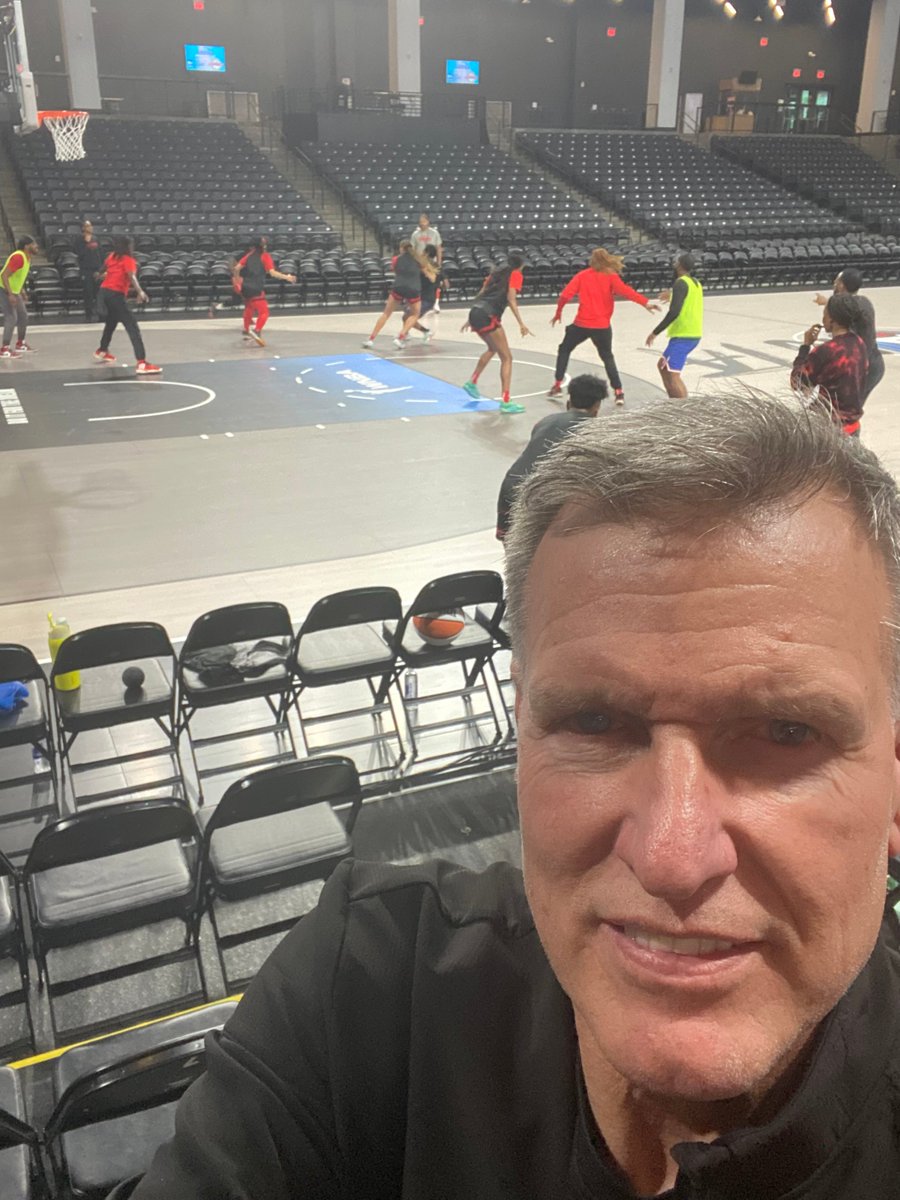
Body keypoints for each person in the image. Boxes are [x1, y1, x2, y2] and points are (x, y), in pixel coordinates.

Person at [120, 394, 900, 1199]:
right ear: (521, 735)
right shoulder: (372, 990)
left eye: (784, 732)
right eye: (593, 722)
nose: (672, 856)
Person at [496, 373, 606, 540]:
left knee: (515, 556)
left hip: (510, 488)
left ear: (569, 401)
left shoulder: (545, 421)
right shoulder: (596, 430)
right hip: (538, 496)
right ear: (597, 406)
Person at [549, 248, 660, 405]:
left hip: (582, 324)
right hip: (602, 326)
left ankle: (557, 385)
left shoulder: (582, 276)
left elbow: (565, 296)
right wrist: (645, 303)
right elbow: (626, 291)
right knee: (607, 357)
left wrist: (558, 313)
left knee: (564, 349)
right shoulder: (611, 276)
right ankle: (619, 392)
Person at [462, 253, 532, 416]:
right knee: (507, 358)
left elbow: (482, 292)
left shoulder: (496, 272)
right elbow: (511, 299)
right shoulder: (515, 274)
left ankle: (472, 382)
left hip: (477, 312)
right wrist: (521, 323)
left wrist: (471, 317)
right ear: (521, 265)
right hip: (489, 315)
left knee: (492, 348)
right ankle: (506, 401)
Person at [791, 293, 868, 436]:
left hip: (831, 430)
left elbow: (797, 382)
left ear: (832, 320)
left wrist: (805, 347)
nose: (823, 318)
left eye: (825, 314)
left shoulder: (825, 351)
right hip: (853, 425)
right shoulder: (859, 343)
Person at [92, 234, 161, 375]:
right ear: (127, 246)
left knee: (111, 323)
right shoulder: (128, 260)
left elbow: (101, 270)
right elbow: (132, 277)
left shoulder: (112, 256)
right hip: (115, 295)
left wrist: (100, 275)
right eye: (131, 245)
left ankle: (102, 350)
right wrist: (140, 292)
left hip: (104, 293)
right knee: (132, 327)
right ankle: (141, 363)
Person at [815, 268, 884, 401]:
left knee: (839, 408)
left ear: (841, 285)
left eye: (836, 281)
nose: (834, 284)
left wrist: (827, 303)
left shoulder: (847, 307)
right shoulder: (864, 301)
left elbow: (840, 308)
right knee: (845, 409)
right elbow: (843, 304)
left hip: (863, 367)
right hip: (872, 363)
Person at [645, 251, 703, 398]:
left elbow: (674, 312)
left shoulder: (680, 283)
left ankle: (683, 409)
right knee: (663, 366)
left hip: (684, 334)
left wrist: (655, 332)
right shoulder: (695, 283)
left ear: (680, 266)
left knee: (673, 374)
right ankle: (673, 402)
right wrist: (671, 295)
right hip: (691, 333)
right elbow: (686, 298)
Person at [363, 241, 436, 351]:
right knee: (415, 314)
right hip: (413, 289)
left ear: (402, 248)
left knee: (386, 314)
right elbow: (431, 277)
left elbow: (397, 272)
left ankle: (371, 339)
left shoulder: (396, 259)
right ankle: (401, 337)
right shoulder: (419, 261)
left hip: (398, 287)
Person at [233, 235, 296, 348]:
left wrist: (237, 281)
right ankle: (256, 331)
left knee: (249, 307)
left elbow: (236, 268)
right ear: (263, 245)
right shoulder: (265, 256)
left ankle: (247, 330)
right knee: (264, 312)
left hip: (245, 286)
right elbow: (272, 273)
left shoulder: (248, 256)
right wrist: (287, 277)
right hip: (256, 287)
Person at [0, 235, 37, 359]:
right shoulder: (18, 257)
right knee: (11, 317)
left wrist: (22, 291)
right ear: (27, 246)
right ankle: (4, 348)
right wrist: (10, 294)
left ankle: (20, 343)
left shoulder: (27, 257)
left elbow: (16, 276)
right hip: (4, 289)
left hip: (14, 290)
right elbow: (4, 275)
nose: (36, 246)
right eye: (34, 244)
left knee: (23, 316)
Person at [411, 244, 447, 343]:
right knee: (406, 317)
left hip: (426, 298)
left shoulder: (426, 266)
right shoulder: (434, 266)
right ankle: (424, 331)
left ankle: (402, 335)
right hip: (420, 296)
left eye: (423, 251)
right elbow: (446, 283)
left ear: (426, 253)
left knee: (410, 318)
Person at [75, 219, 103, 322]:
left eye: (90, 226)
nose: (90, 228)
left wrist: (101, 271)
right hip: (86, 271)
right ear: (83, 228)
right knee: (88, 294)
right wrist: (86, 243)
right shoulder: (79, 240)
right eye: (87, 226)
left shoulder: (96, 239)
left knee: (99, 294)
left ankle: (101, 316)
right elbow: (79, 255)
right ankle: (89, 316)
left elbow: (101, 254)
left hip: (97, 270)